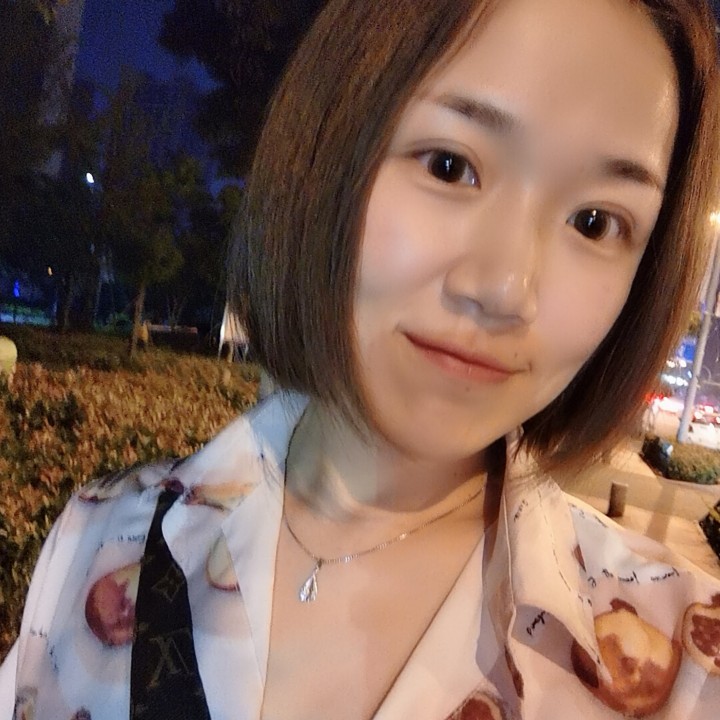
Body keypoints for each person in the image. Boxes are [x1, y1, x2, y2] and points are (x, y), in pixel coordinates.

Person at [2, 0, 720, 717]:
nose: (505, 289)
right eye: (450, 166)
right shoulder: (102, 538)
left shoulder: (685, 669)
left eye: (595, 223)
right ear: (325, 154)